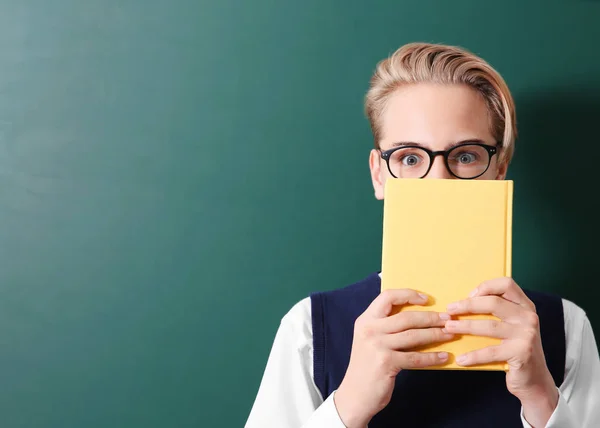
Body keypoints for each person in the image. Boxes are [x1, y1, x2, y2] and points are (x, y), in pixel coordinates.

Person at [244, 42, 600, 427]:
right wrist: (347, 406)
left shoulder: (566, 327)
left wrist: (540, 397)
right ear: (379, 174)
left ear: (499, 171)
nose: (438, 180)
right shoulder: (310, 329)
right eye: (410, 158)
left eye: (465, 156)